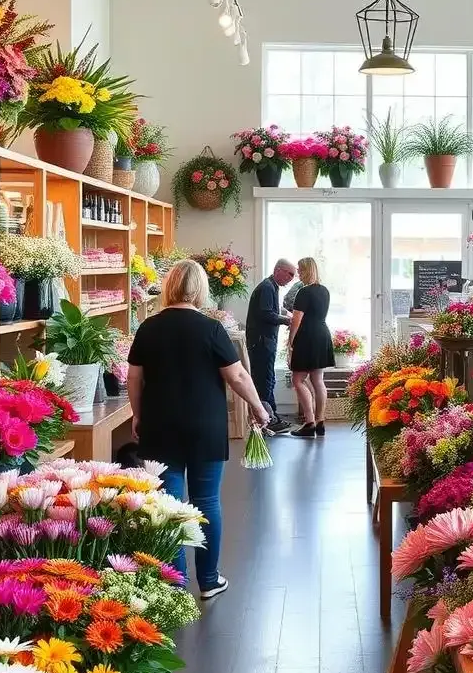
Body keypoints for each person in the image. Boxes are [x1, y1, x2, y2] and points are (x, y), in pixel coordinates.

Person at [127, 260, 271, 600]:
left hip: (159, 426)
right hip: (205, 426)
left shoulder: (148, 328)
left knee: (170, 505)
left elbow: (134, 377)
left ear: (169, 287)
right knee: (206, 501)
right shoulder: (211, 329)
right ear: (200, 289)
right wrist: (257, 405)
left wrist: (138, 415)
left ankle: (175, 583)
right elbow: (236, 376)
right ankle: (208, 580)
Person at [245, 259, 297, 434]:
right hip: (262, 342)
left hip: (264, 341)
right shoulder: (267, 287)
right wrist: (288, 320)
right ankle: (268, 419)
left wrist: (284, 314)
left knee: (268, 378)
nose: (292, 277)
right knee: (264, 380)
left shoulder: (270, 286)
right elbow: (266, 314)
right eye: (289, 273)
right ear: (278, 270)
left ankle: (271, 416)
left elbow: (272, 309)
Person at [289, 256, 335, 439]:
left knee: (298, 379)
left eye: (300, 269)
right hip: (322, 334)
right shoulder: (325, 291)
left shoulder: (304, 292)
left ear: (307, 270)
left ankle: (309, 422)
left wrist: (290, 340)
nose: (298, 272)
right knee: (318, 379)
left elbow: (296, 319)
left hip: (307, 336)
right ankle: (321, 421)